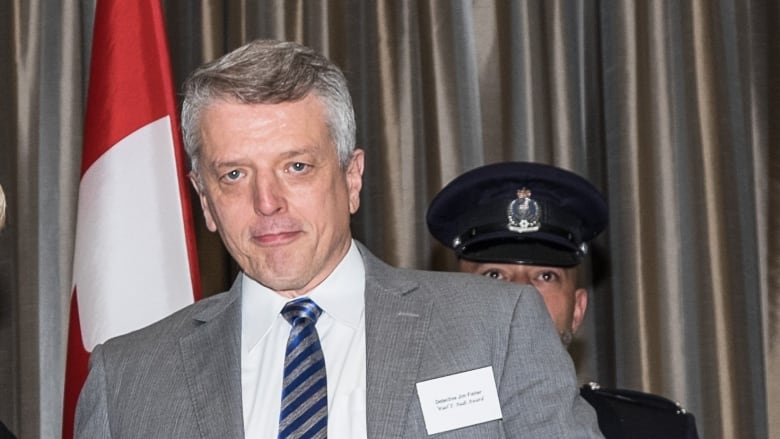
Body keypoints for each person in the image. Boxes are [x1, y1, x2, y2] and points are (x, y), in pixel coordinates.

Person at [74, 39, 603, 438]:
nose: (267, 202)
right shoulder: (125, 379)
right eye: (234, 175)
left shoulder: (496, 329)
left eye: (297, 166)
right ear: (205, 199)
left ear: (352, 177)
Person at [426, 161, 700, 439]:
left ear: (578, 309)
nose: (522, 295)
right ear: (454, 303)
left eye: (545, 277)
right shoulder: (397, 420)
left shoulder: (654, 431)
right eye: (495, 275)